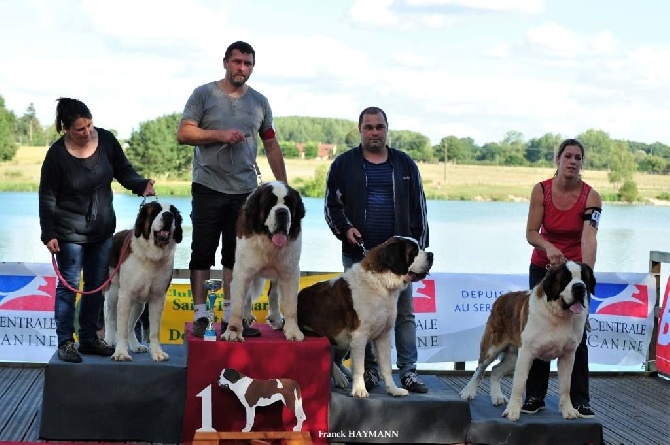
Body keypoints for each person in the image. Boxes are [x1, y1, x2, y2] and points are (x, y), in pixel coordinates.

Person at [177, 40, 288, 338]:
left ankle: (232, 318)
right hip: (207, 186)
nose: (242, 68)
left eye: (248, 63)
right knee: (201, 253)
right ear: (225, 62)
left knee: (235, 257)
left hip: (245, 192)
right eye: (237, 62)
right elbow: (183, 133)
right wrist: (219, 134)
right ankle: (201, 315)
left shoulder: (260, 102)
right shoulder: (204, 94)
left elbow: (271, 143)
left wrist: (284, 187)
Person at [39, 97, 155, 363]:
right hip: (68, 233)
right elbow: (47, 196)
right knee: (68, 287)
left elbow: (124, 171)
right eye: (80, 129)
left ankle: (89, 339)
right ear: (66, 129)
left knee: (96, 285)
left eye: (90, 125)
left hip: (102, 230)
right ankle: (66, 342)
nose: (88, 131)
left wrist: (140, 185)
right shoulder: (56, 155)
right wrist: (49, 233)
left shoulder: (106, 140)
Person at [324, 106, 429, 393]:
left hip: (399, 261)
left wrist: (419, 250)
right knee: (362, 319)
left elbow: (419, 209)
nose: (374, 132)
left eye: (379, 127)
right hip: (360, 256)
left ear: (387, 129)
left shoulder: (405, 164)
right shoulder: (343, 165)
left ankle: (408, 372)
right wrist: (345, 229)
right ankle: (369, 373)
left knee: (404, 315)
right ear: (360, 130)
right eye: (368, 127)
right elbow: (332, 206)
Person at [522, 138, 601, 418]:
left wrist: (584, 275)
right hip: (544, 269)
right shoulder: (541, 190)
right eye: (567, 156)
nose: (572, 162)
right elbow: (531, 232)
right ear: (558, 159)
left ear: (582, 163)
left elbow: (589, 237)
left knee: (576, 335)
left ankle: (579, 400)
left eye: (578, 158)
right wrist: (549, 247)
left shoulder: (591, 196)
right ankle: (534, 397)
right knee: (539, 332)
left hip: (575, 273)